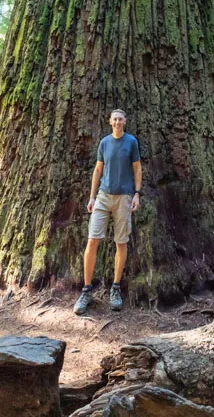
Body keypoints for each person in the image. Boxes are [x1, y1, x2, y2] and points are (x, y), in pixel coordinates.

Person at [73, 108, 142, 314]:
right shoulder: (104, 142)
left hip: (124, 197)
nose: (118, 122)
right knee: (93, 240)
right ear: (110, 122)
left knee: (121, 242)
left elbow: (137, 168)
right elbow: (98, 169)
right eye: (115, 119)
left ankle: (115, 288)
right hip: (103, 196)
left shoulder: (131, 142)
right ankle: (86, 290)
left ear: (125, 121)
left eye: (121, 119)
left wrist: (137, 194)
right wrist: (92, 197)